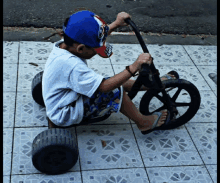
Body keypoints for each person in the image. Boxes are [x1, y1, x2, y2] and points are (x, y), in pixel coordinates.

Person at [42, 10, 177, 134]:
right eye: (95, 50)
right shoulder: (72, 66)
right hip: (65, 112)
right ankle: (143, 123)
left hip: (66, 98)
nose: (96, 53)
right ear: (81, 49)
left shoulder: (68, 42)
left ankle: (148, 85)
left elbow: (95, 36)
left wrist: (116, 24)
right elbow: (104, 87)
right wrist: (133, 67)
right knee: (114, 89)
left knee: (112, 80)